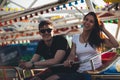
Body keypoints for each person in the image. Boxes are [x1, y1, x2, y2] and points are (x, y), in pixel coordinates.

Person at [45, 12, 119, 80]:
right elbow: (72, 53)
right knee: (53, 78)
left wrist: (103, 29)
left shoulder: (98, 38)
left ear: (94, 25)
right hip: (81, 72)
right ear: (83, 21)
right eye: (86, 20)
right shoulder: (75, 37)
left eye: (91, 21)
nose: (87, 22)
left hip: (95, 73)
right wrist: (69, 60)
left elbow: (116, 45)